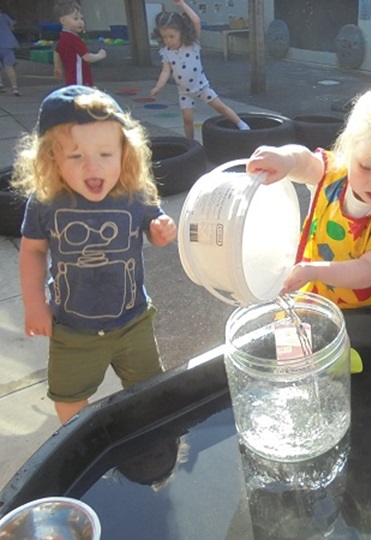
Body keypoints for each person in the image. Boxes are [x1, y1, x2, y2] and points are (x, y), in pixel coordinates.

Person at [12, 85, 177, 424]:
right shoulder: (46, 201)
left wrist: (161, 231)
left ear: (124, 152)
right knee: (69, 402)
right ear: (50, 158)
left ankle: (145, 440)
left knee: (149, 391)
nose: (93, 167)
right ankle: (84, 446)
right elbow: (32, 251)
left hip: (133, 323)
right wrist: (34, 304)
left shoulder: (135, 193)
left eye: (105, 154)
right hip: (73, 331)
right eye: (76, 156)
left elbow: (155, 230)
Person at [247, 83, 371, 311]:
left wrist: (315, 271)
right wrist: (286, 159)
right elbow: (306, 163)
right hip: (320, 293)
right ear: (348, 150)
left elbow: (368, 270)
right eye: (366, 166)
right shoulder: (334, 174)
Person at [150, 0, 250, 140]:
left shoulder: (192, 44)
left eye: (172, 36)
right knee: (187, 119)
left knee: (220, 107)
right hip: (184, 92)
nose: (168, 40)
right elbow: (165, 72)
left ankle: (242, 125)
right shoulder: (166, 52)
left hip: (202, 87)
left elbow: (196, 21)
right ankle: (190, 143)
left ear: (182, 32)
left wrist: (182, 4)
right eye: (164, 37)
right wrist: (158, 87)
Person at [53, 1, 106, 86]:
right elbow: (87, 57)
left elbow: (57, 52)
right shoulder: (74, 39)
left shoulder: (63, 36)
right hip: (80, 79)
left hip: (70, 79)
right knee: (82, 98)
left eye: (81, 18)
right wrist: (100, 55)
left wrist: (57, 68)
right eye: (75, 19)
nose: (80, 22)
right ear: (63, 21)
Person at [0, 8, 21, 95]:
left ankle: (0, 85)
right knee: (9, 67)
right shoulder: (4, 17)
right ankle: (15, 88)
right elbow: (12, 28)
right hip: (7, 44)